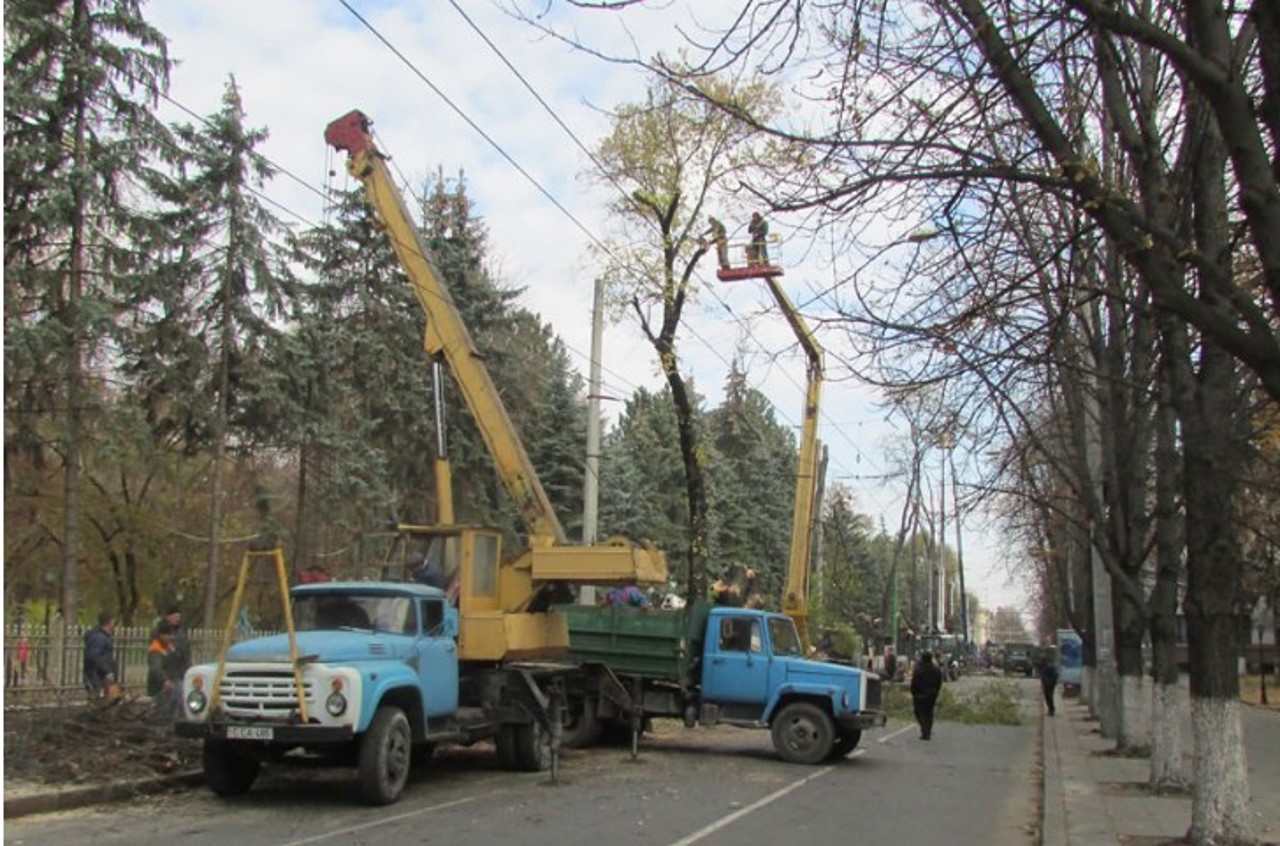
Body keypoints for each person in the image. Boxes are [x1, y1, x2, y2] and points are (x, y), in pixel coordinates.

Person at [147, 620, 182, 718]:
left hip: (171, 685)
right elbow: (155, 668)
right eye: (168, 635)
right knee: (162, 714)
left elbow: (176, 660)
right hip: (160, 688)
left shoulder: (168, 646)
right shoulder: (155, 649)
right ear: (161, 635)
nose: (170, 637)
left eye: (171, 634)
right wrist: (164, 680)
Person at [83, 611, 119, 701]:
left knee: (104, 700)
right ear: (110, 622)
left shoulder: (101, 637)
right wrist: (107, 671)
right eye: (114, 622)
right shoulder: (100, 638)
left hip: (99, 676)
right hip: (97, 676)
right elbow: (94, 657)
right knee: (99, 700)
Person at [910, 650, 944, 740]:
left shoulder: (918, 670)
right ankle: (927, 731)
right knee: (929, 713)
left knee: (919, 713)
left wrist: (913, 693)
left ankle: (924, 730)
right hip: (932, 695)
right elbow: (939, 682)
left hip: (920, 696)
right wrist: (936, 692)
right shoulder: (936, 670)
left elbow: (914, 683)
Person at [156, 605, 191, 681]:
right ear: (168, 617)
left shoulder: (182, 632)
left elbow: (186, 652)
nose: (177, 619)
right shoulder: (161, 631)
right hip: (168, 671)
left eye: (179, 617)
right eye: (175, 616)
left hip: (181, 670)